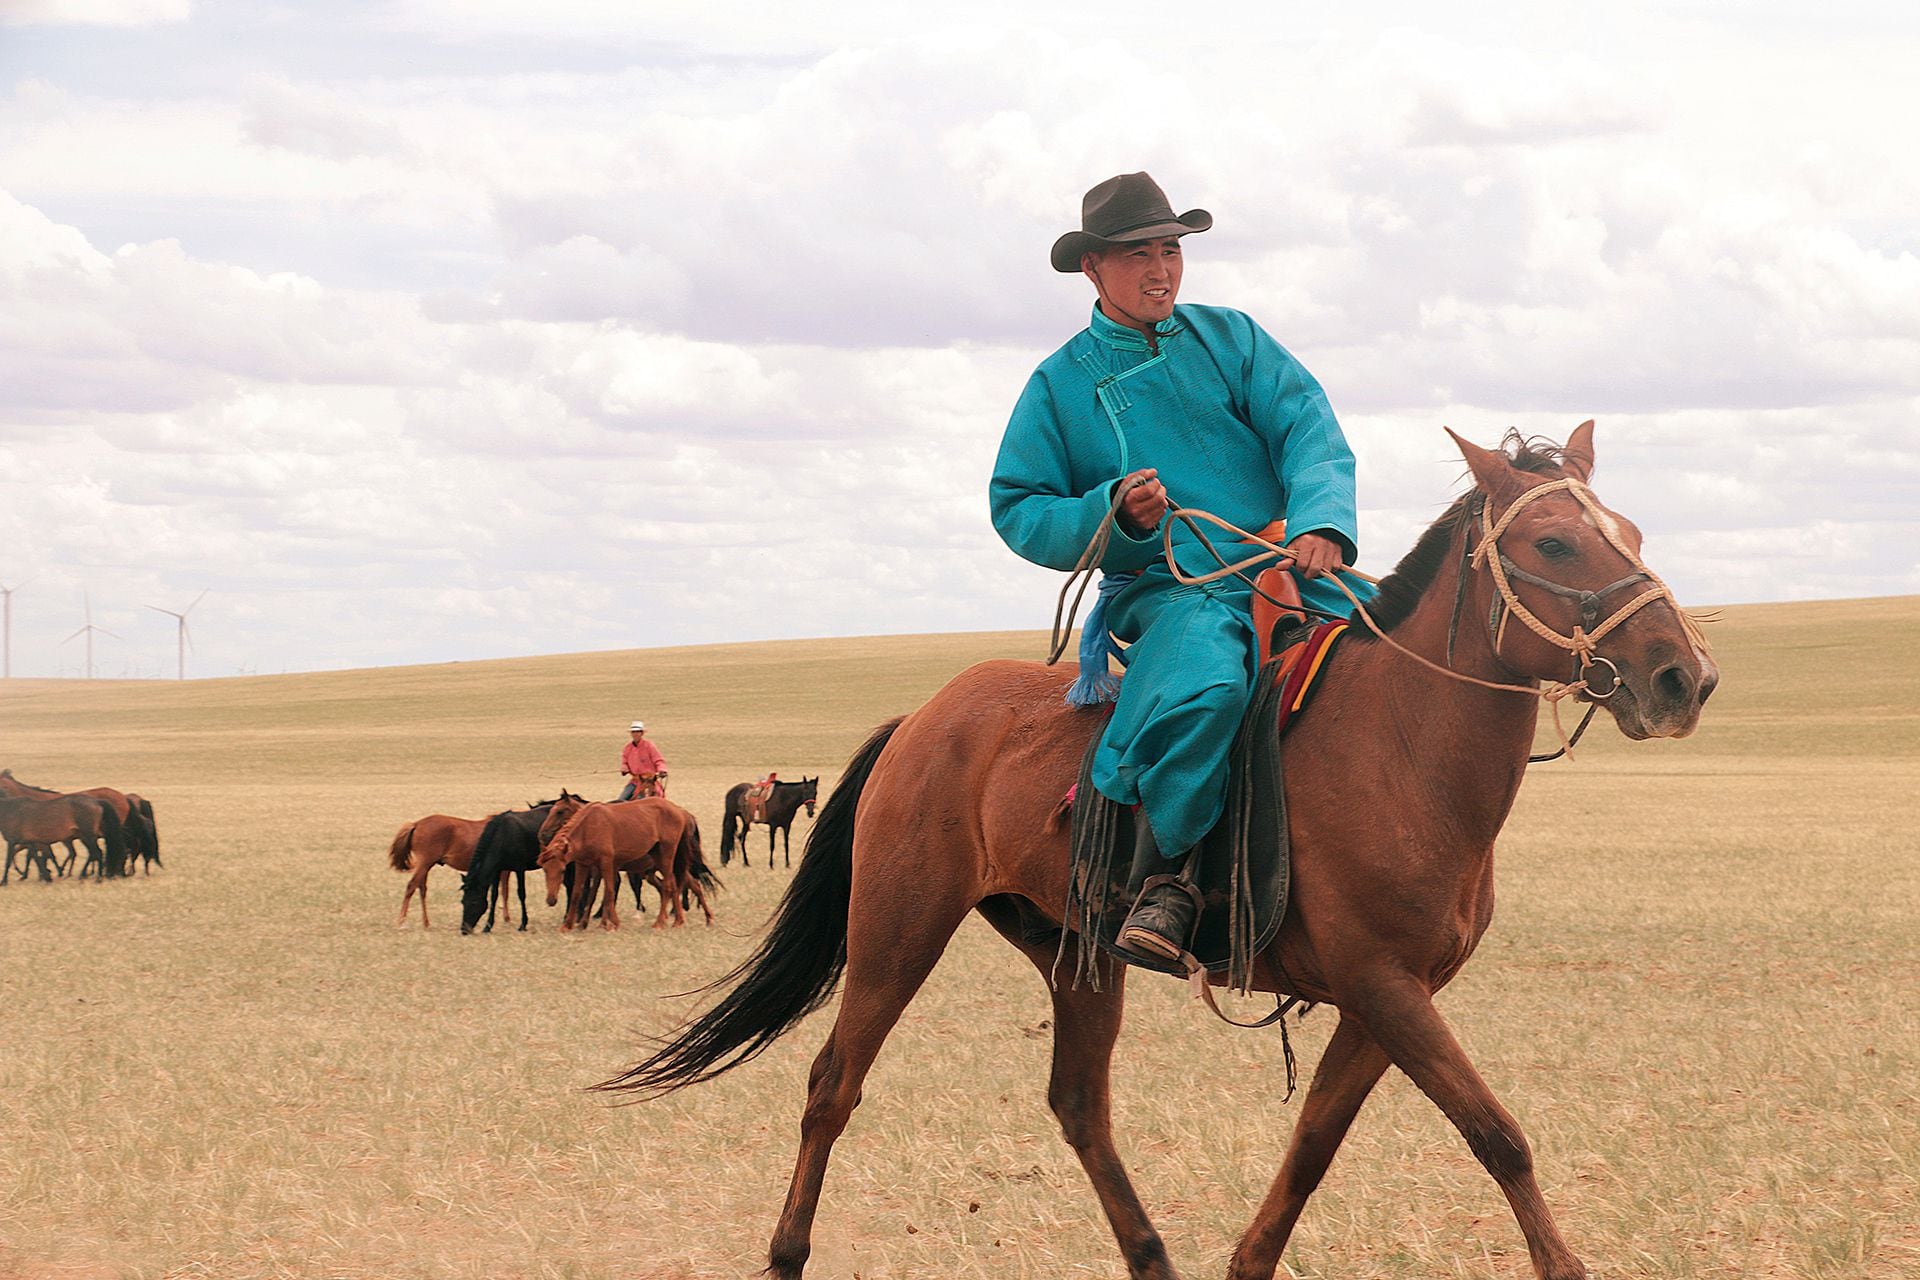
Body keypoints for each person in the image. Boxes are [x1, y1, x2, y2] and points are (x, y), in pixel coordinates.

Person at [989, 171, 1373, 965]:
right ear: (1093, 269)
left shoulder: (1232, 338)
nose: (1161, 270)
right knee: (1207, 687)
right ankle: (1164, 879)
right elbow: (1018, 506)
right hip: (1172, 587)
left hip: (1282, 561)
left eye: (1170, 250)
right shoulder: (1060, 385)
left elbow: (1308, 426)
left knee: (1396, 642)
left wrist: (1322, 522)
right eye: (1138, 255)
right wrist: (1111, 514)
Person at [617, 720, 668, 800]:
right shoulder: (627, 748)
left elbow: (658, 760)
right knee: (621, 800)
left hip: (649, 780)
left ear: (642, 733)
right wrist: (624, 768)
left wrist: (662, 770)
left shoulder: (649, 746)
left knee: (660, 799)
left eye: (638, 732)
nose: (635, 734)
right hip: (635, 781)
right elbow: (624, 762)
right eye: (633, 732)